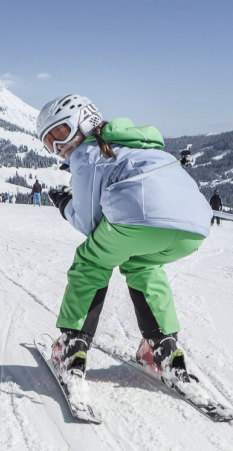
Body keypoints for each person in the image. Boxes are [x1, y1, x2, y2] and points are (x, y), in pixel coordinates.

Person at [37, 94, 211, 383]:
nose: (58, 146)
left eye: (60, 132)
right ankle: (162, 350)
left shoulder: (87, 154)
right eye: (48, 141)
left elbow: (88, 223)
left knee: (90, 261)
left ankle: (72, 348)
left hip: (138, 217)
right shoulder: (140, 145)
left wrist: (64, 204)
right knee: (142, 265)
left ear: (85, 121)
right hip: (194, 228)